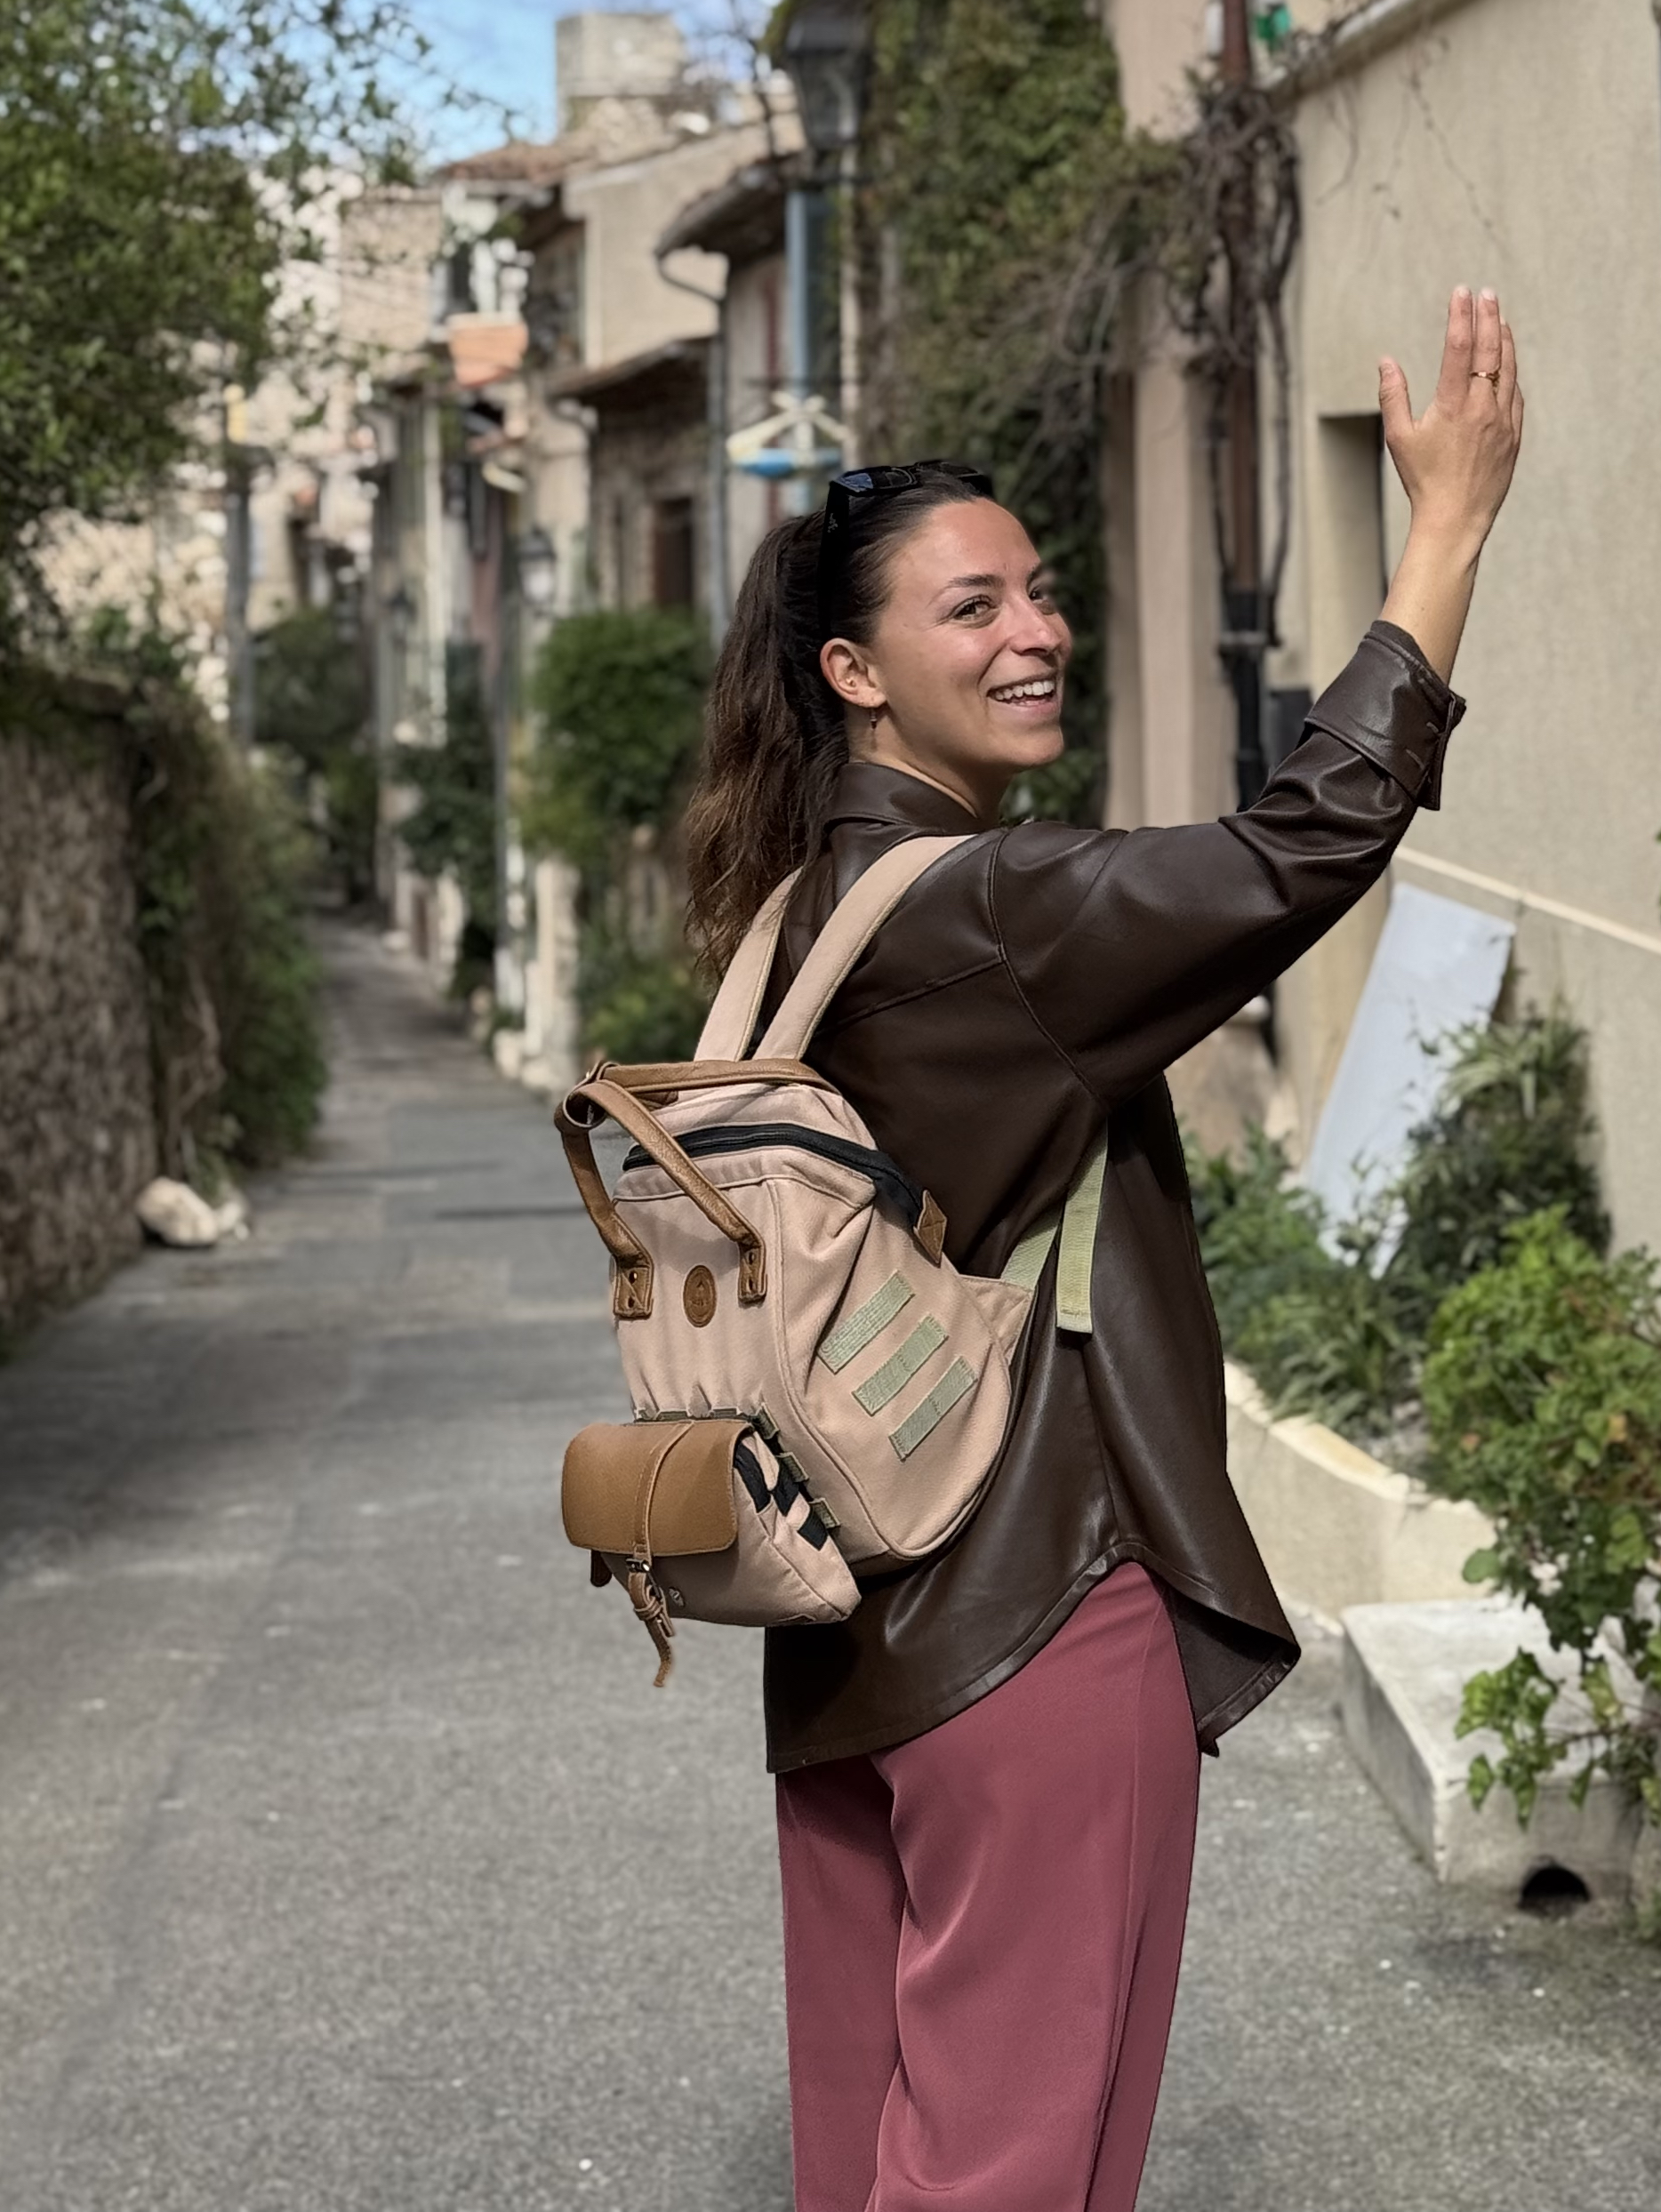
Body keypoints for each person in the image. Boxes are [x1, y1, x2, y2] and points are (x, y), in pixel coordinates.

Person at [677, 283, 1525, 2212]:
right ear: (856, 673)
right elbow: (1307, 843)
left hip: (843, 1619)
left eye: (1040, 591)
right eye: (970, 609)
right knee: (1020, 2168)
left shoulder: (800, 912)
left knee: (884, 2150)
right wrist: (1449, 528)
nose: (1037, 630)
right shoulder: (988, 907)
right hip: (1036, 1606)